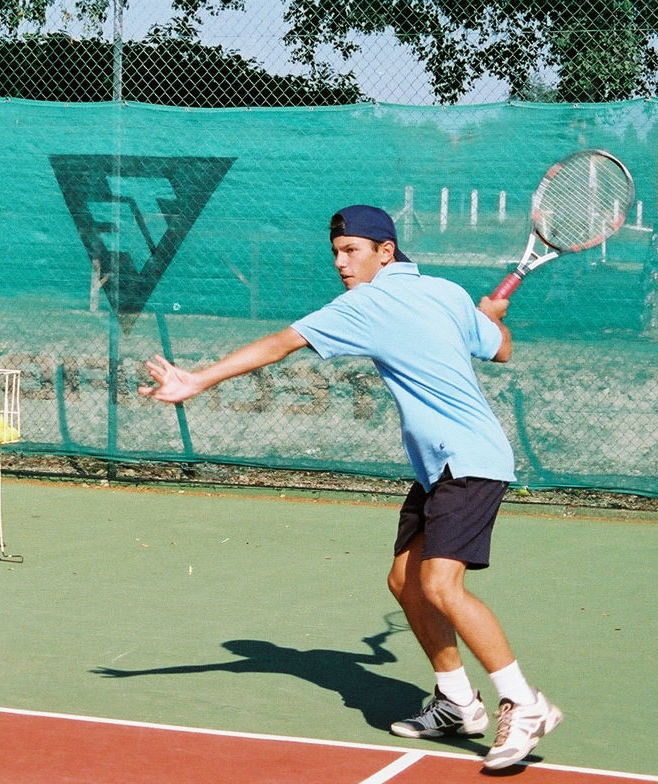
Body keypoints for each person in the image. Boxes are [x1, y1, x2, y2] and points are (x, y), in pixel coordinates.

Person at [139, 205, 561, 771]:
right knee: (405, 581)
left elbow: (279, 344)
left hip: (470, 461)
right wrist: (490, 315)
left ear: (386, 252)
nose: (340, 263)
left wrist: (197, 379)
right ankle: (458, 701)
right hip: (439, 465)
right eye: (336, 252)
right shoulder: (446, 292)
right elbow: (501, 347)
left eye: (352, 251)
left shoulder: (368, 303)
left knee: (440, 585)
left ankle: (525, 702)